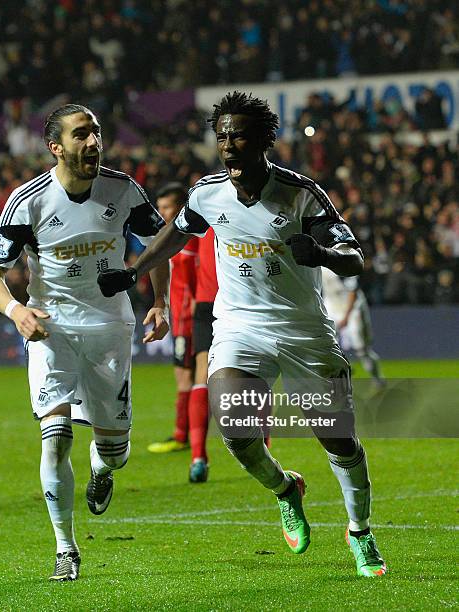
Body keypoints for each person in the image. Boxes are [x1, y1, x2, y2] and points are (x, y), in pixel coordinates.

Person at [97, 92, 387, 578]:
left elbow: (355, 257)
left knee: (336, 438)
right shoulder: (208, 192)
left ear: (264, 140)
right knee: (235, 428)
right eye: (222, 135)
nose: (229, 144)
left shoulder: (301, 194)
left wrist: (319, 253)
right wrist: (135, 272)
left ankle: (360, 531)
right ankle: (285, 489)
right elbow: (176, 234)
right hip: (239, 326)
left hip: (303, 330)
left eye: (239, 135)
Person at [0, 104, 169, 582]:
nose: (93, 142)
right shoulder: (29, 202)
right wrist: (17, 310)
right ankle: (66, 547)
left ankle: (102, 469)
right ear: (56, 146)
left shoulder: (122, 190)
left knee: (115, 451)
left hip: (109, 327)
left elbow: (160, 243)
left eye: (97, 132)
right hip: (52, 327)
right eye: (82, 134)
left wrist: (160, 301)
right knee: (56, 436)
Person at [148, 183, 197, 454]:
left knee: (185, 378)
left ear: (181, 207)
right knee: (187, 377)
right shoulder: (167, 239)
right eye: (161, 207)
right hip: (179, 319)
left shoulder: (190, 240)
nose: (163, 212)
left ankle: (182, 435)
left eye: (168, 207)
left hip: (190, 322)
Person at [187, 226, 217, 483]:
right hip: (207, 303)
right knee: (202, 371)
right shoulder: (201, 210)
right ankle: (198, 457)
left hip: (242, 301)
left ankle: (262, 442)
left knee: (252, 373)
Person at [321, 267, 385, 387]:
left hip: (352, 306)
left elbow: (352, 292)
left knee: (361, 348)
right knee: (325, 343)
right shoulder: (316, 261)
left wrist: (346, 316)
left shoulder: (345, 261)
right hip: (331, 304)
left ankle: (378, 379)